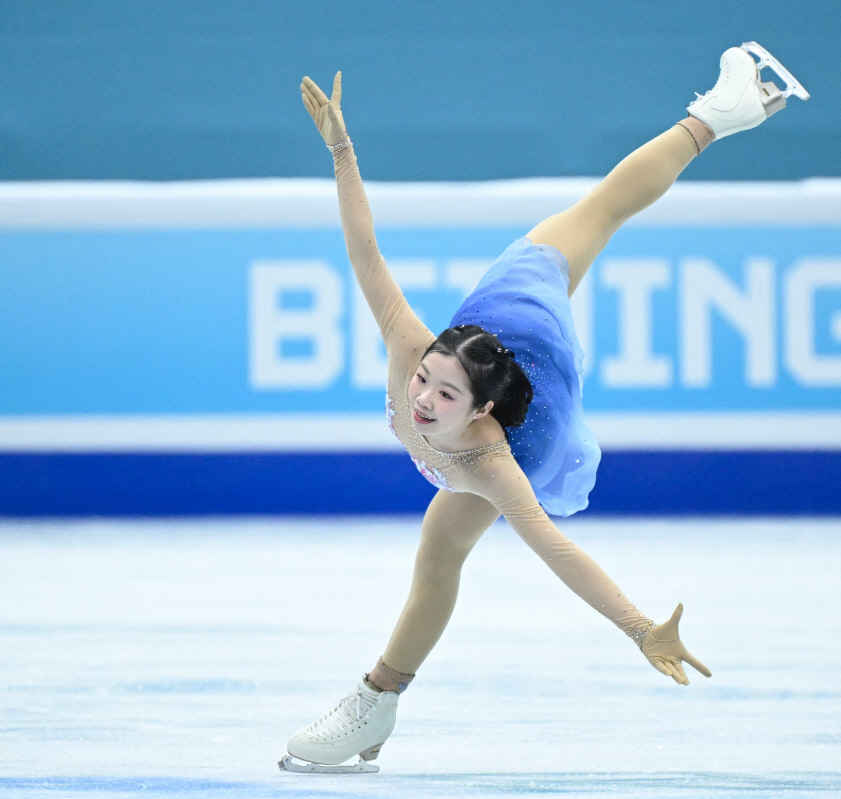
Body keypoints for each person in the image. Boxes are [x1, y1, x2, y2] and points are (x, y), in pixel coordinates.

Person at [280, 42, 806, 774]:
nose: (423, 400)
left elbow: (559, 551)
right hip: (503, 308)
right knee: (597, 210)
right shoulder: (415, 350)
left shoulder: (498, 461)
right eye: (424, 381)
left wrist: (640, 628)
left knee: (440, 547)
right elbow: (365, 251)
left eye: (443, 396)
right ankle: (718, 115)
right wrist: (342, 149)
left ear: (481, 410)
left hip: (536, 387)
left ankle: (376, 697)